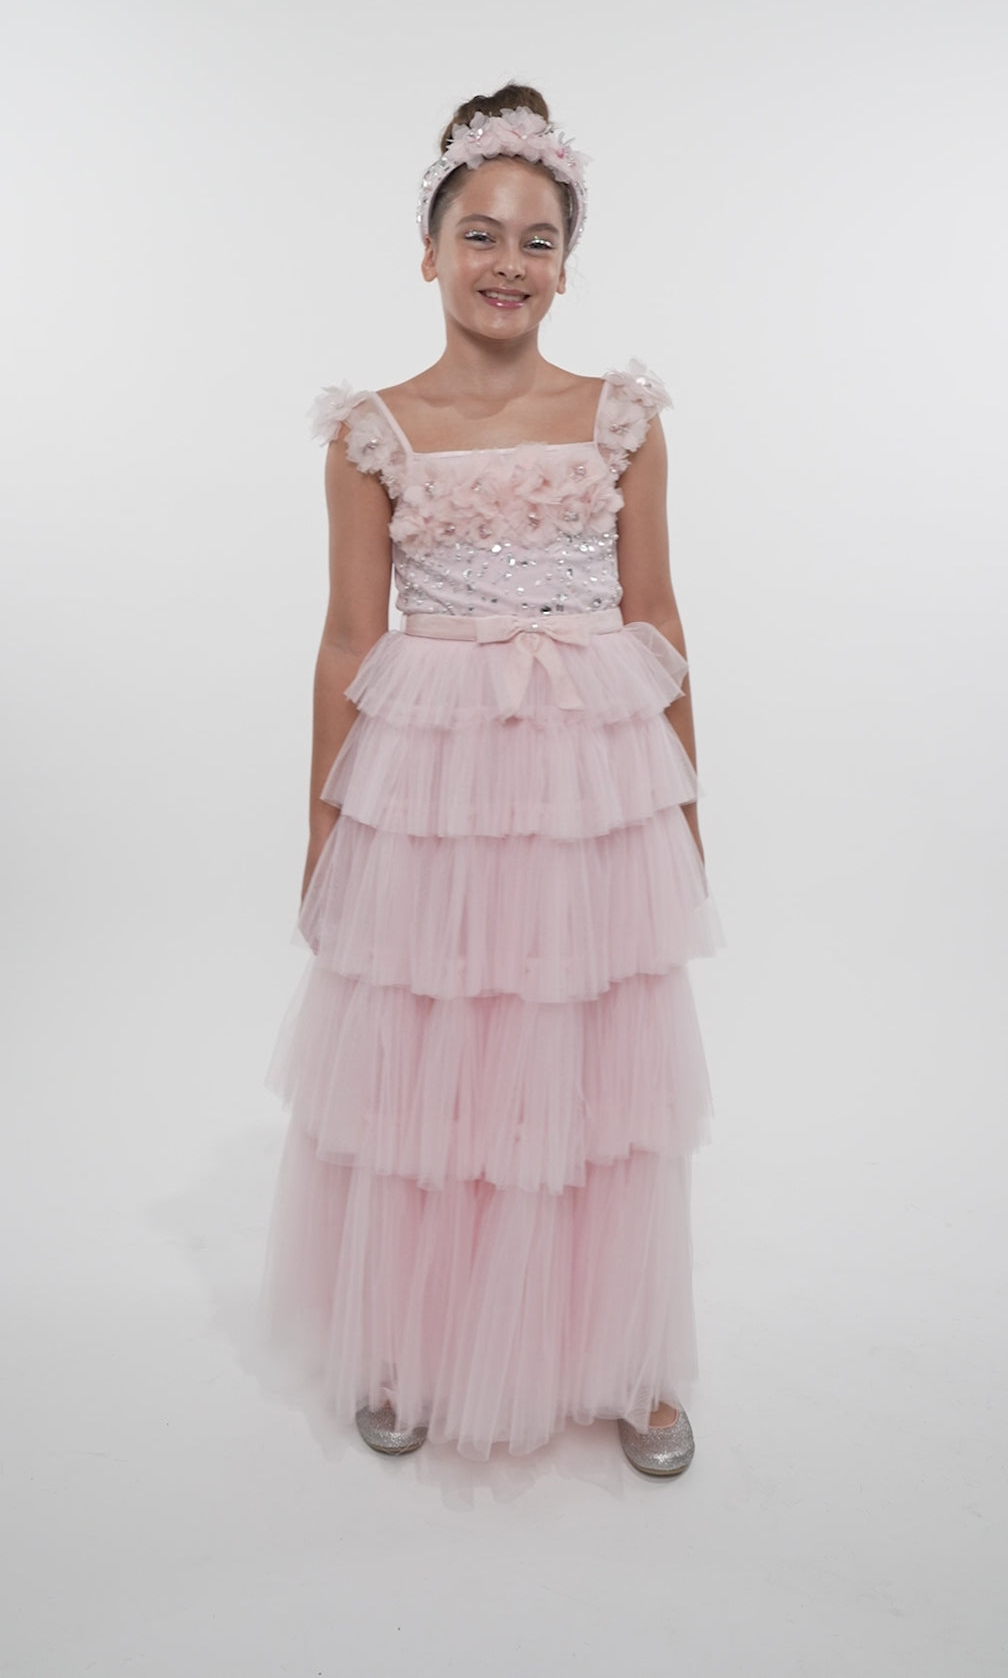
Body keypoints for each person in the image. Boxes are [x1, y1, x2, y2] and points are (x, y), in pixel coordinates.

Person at [258, 84, 723, 1475]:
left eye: (536, 239)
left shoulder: (620, 418)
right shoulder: (376, 432)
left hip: (591, 785)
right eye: (479, 233)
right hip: (437, 791)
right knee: (437, 1053)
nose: (507, 262)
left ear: (566, 265)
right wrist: (326, 826)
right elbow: (349, 639)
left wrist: (686, 806)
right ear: (429, 251)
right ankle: (413, 1336)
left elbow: (658, 616)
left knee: (599, 1060)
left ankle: (624, 1352)